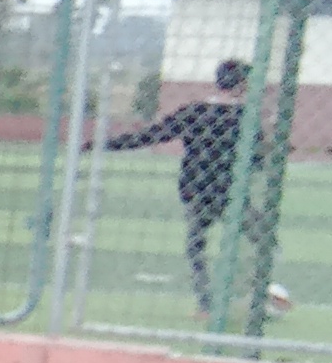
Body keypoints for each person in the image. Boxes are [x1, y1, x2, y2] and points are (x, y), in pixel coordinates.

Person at [104, 57, 291, 320]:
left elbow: (152, 135)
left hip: (195, 189)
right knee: (265, 241)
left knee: (196, 247)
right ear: (242, 84)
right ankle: (254, 291)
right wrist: (272, 137)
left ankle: (206, 304)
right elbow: (259, 159)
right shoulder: (246, 117)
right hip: (229, 191)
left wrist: (106, 144)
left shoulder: (194, 112)